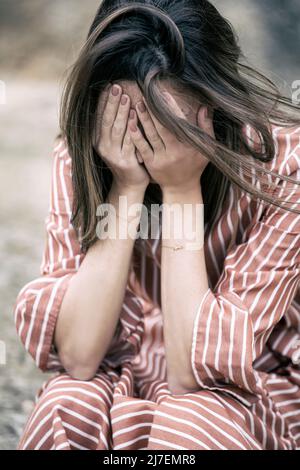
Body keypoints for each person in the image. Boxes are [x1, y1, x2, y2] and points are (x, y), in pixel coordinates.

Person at [13, 0, 300, 450]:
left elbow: (193, 376)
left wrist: (181, 188)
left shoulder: (284, 166)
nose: (150, 142)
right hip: (130, 372)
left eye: (171, 126)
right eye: (131, 122)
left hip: (244, 391)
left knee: (191, 422)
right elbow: (80, 356)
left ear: (216, 102)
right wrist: (124, 187)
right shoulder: (84, 153)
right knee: (64, 405)